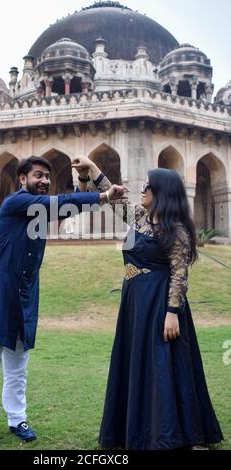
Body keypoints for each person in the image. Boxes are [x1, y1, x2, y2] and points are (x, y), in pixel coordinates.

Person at [0, 155, 125, 450]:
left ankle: (17, 419)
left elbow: (66, 208)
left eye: (47, 177)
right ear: (22, 179)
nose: (43, 181)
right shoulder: (16, 203)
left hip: (25, 290)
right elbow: (54, 205)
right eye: (38, 175)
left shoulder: (40, 209)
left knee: (18, 360)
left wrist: (81, 179)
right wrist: (104, 195)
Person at [72, 156, 223, 450]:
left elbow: (179, 274)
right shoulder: (140, 218)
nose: (141, 190)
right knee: (138, 364)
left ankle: (179, 434)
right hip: (135, 301)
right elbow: (113, 196)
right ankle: (137, 429)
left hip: (159, 303)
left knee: (165, 366)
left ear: (162, 193)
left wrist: (172, 313)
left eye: (147, 186)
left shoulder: (175, 229)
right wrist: (90, 167)